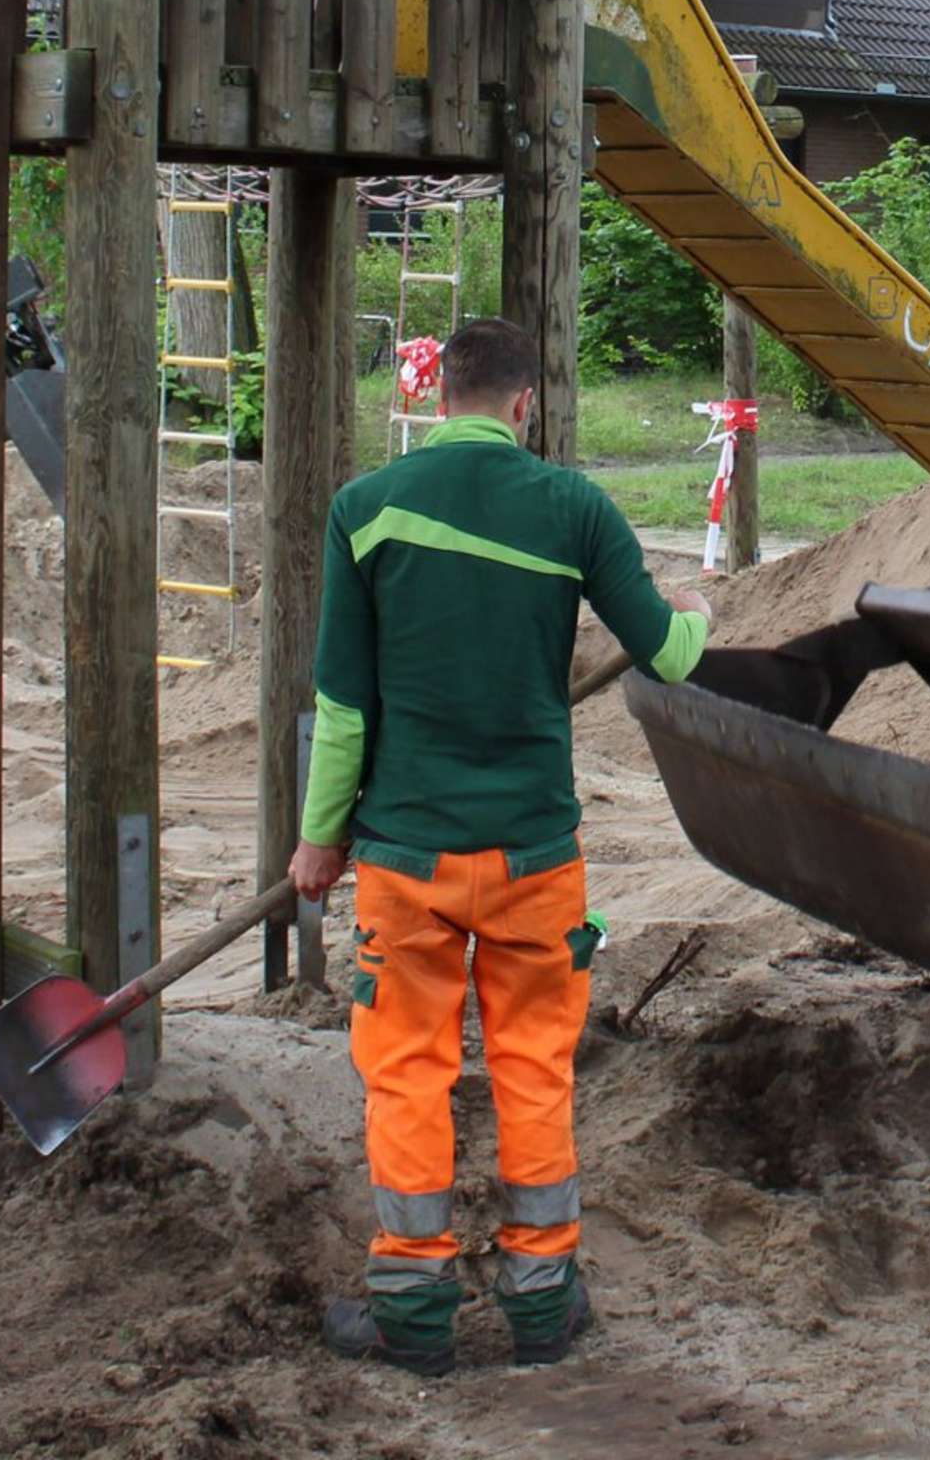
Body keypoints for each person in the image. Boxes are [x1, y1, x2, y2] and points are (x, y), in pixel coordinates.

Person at [291, 316, 712, 1376]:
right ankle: (540, 1305)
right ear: (525, 404)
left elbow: (343, 708)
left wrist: (317, 842)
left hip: (404, 857)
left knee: (407, 1077)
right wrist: (698, 617)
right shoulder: (572, 507)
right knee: (532, 1071)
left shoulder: (365, 510)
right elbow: (663, 650)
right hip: (534, 857)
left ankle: (413, 1312)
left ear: (440, 396)